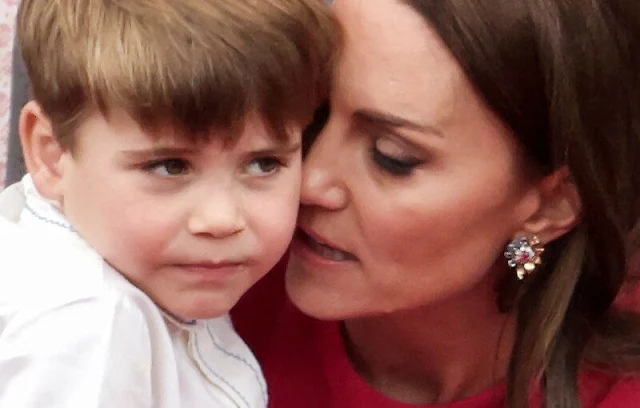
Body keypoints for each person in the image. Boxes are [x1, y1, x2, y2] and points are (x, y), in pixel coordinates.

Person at [232, 0, 640, 407]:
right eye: (309, 115)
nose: (307, 181)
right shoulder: (209, 279)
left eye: (392, 157)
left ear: (551, 206)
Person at [0, 0, 337, 406]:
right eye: (170, 167)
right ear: (52, 155)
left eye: (264, 164)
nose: (221, 219)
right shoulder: (89, 327)